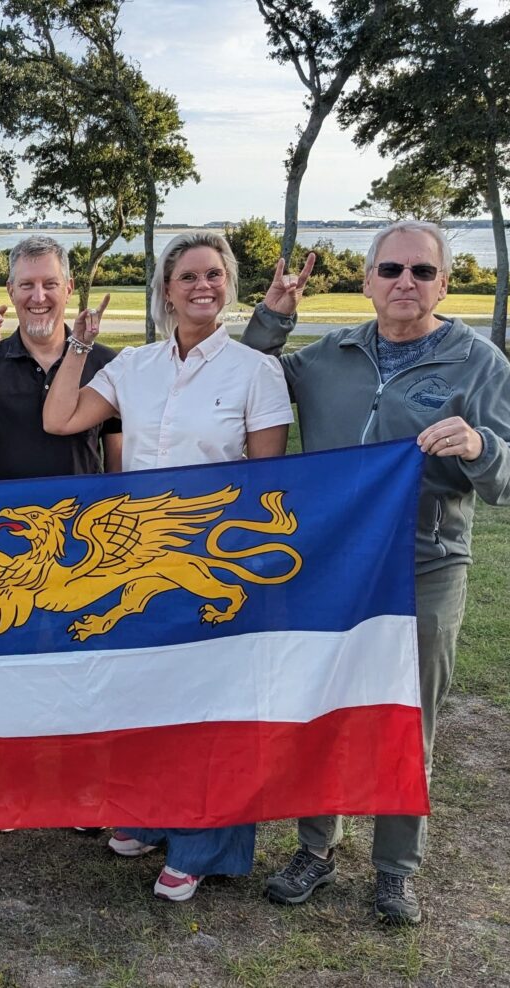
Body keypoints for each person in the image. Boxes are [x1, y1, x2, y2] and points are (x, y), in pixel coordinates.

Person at [242, 219, 510, 925]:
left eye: (423, 272)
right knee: (323, 703)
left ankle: (396, 869)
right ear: (367, 281)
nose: (405, 284)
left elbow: (506, 477)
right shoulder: (328, 356)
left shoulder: (478, 363)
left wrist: (481, 445)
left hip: (426, 566)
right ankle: (315, 849)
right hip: (331, 566)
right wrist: (274, 314)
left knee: (406, 718)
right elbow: (248, 377)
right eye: (390, 270)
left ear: (445, 284)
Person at [42, 231, 313, 903]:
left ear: (228, 285)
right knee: (147, 694)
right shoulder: (133, 365)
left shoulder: (256, 370)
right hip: (137, 557)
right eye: (188, 275)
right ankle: (149, 816)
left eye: (214, 275)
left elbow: (265, 481)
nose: (202, 285)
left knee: (207, 707)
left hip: (207, 558)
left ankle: (200, 847)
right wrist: (79, 343)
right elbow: (60, 418)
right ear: (166, 289)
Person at [0, 235, 123, 479]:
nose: (38, 297)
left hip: (82, 514)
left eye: (50, 284)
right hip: (6, 515)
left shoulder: (104, 362)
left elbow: (117, 461)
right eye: (27, 285)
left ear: (68, 288)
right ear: (11, 290)